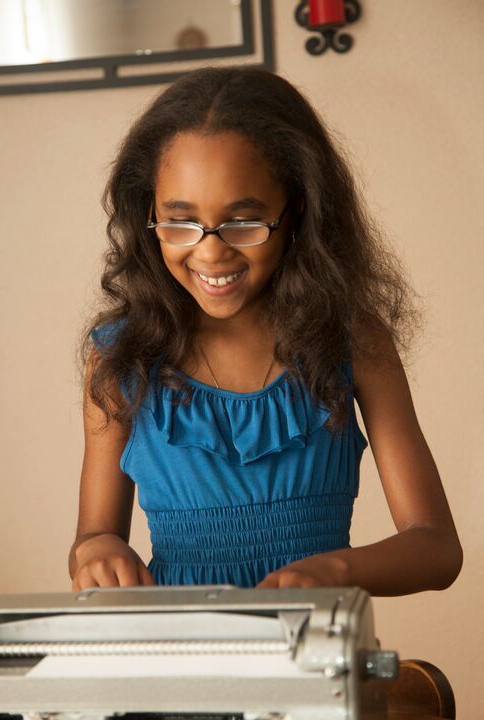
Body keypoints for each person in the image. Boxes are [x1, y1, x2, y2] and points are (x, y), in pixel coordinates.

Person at [69, 66, 462, 596]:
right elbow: (92, 538)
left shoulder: (353, 341)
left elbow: (436, 547)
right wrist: (97, 551)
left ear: (297, 209)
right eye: (180, 222)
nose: (211, 251)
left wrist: (336, 571)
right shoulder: (120, 358)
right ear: (149, 214)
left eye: (244, 222)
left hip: (314, 660)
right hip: (178, 659)